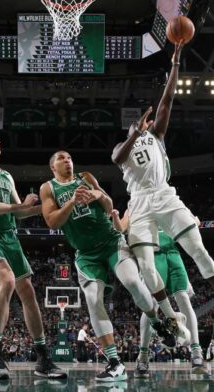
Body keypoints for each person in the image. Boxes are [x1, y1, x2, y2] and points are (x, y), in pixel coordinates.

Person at [111, 42, 214, 323]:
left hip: (164, 195)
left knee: (197, 248)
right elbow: (117, 158)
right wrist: (134, 131)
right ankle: (168, 316)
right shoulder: (122, 146)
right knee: (146, 266)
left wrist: (176, 64)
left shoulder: (155, 136)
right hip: (139, 201)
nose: (143, 125)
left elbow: (166, 101)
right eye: (137, 125)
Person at [40, 152, 181, 381]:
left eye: (70, 158)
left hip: (111, 242)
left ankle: (157, 323)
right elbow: (52, 221)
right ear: (52, 166)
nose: (68, 160)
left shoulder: (85, 177)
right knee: (93, 300)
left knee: (133, 281)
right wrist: (72, 201)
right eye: (62, 158)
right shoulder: (48, 188)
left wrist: (96, 193)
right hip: (86, 254)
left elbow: (108, 205)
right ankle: (115, 363)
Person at [0, 131, 66, 380]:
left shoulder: (6, 175)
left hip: (9, 236)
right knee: (7, 281)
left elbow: (18, 213)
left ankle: (43, 358)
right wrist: (19, 206)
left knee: (28, 292)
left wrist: (49, 207)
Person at [111, 209, 206, 376]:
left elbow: (193, 222)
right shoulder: (134, 206)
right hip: (152, 257)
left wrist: (191, 220)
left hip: (173, 254)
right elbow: (120, 228)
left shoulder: (166, 200)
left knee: (183, 297)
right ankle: (143, 355)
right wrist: (115, 217)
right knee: (151, 305)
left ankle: (196, 352)